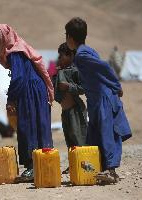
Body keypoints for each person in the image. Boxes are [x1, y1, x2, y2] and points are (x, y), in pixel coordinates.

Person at [65, 17, 132, 184]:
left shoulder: (81, 55)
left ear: (70, 38)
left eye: (66, 35)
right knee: (94, 136)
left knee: (106, 134)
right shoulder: (87, 50)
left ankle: (111, 171)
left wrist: (116, 86)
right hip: (95, 100)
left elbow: (104, 67)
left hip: (103, 99)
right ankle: (96, 170)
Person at [0, 24, 54, 181]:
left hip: (29, 90)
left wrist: (11, 99)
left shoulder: (15, 52)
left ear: (3, 38)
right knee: (38, 124)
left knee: (28, 125)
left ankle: (32, 167)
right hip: (34, 89)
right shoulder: (19, 48)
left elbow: (19, 78)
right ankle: (42, 163)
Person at [53, 42, 87, 174]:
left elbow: (83, 88)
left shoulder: (75, 71)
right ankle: (74, 163)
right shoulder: (59, 72)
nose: (59, 59)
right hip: (65, 111)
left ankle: (84, 164)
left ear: (70, 56)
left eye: (61, 56)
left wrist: (69, 87)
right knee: (69, 138)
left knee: (79, 138)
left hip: (75, 110)